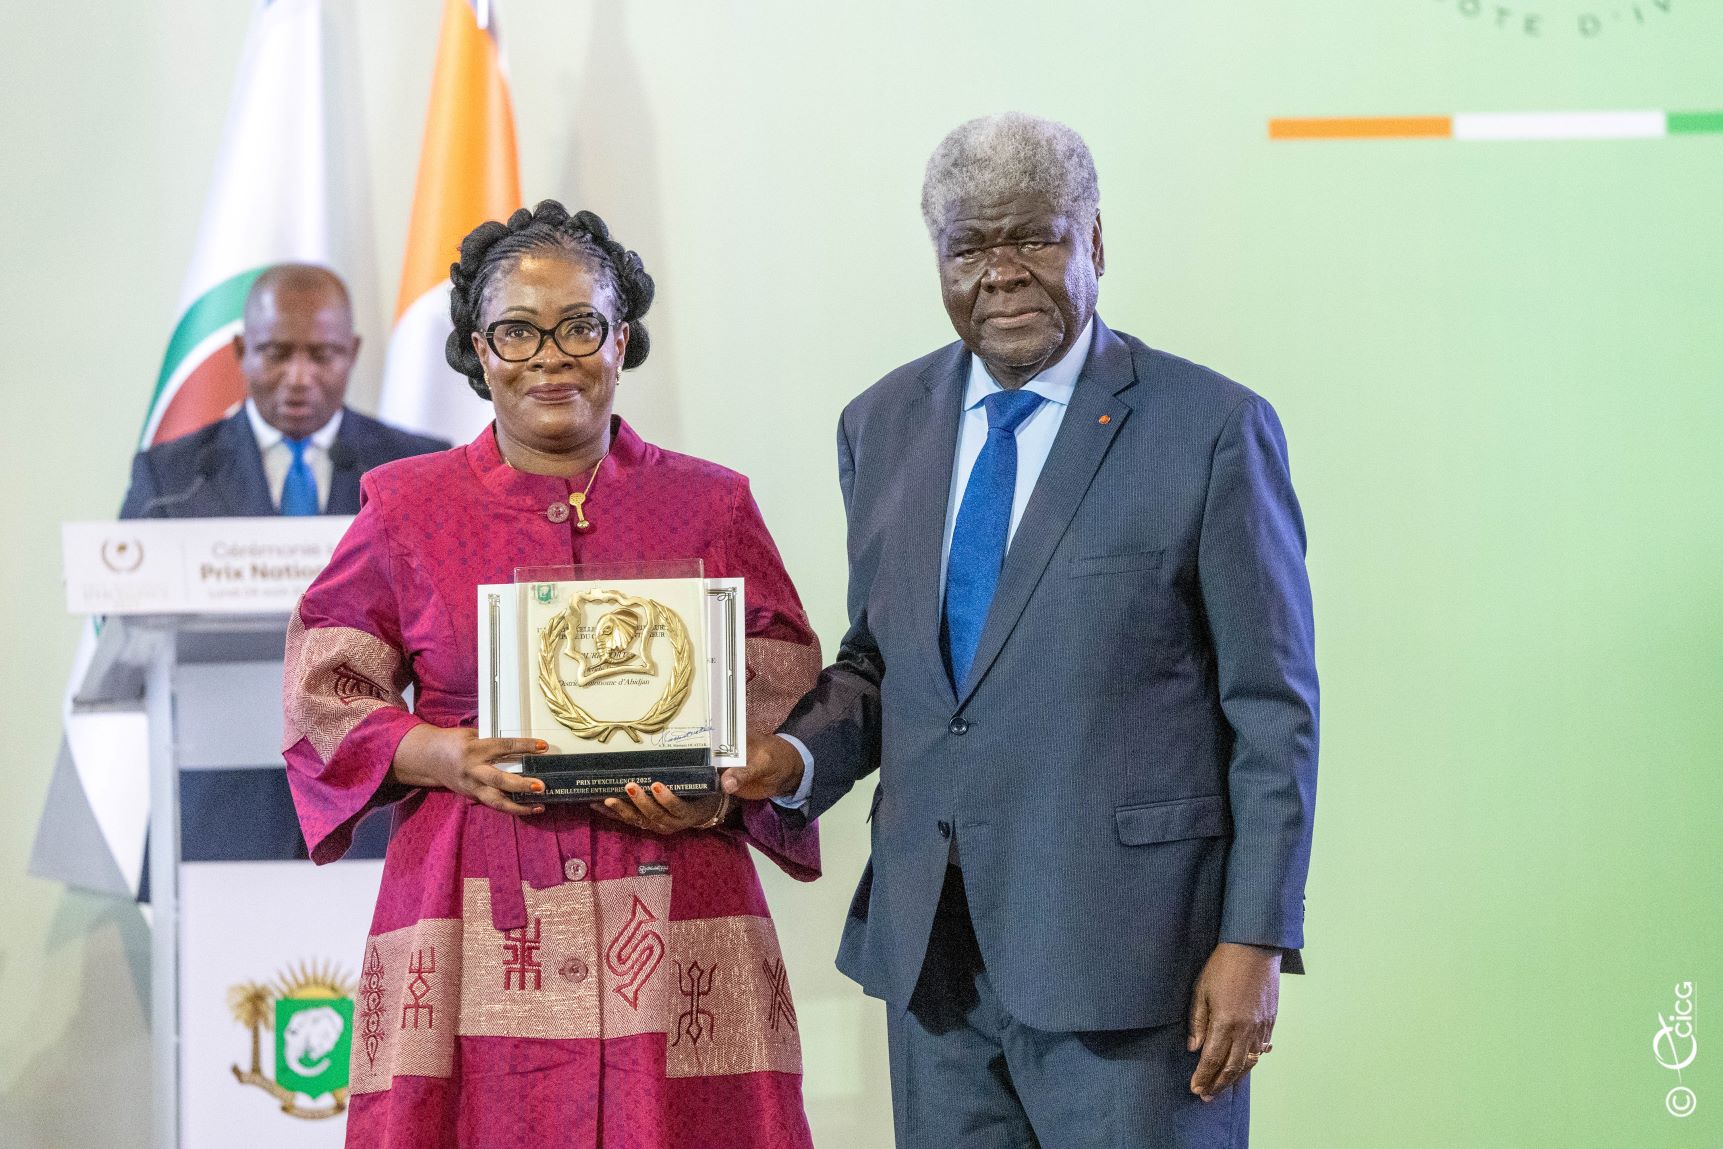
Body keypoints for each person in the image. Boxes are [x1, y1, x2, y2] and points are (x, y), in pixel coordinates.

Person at [727, 113, 1319, 1147]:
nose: (1000, 273)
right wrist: (792, 758)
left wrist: (1255, 939)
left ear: (1094, 241)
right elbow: (884, 659)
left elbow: (1271, 711)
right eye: (967, 247)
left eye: (1032, 238)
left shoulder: (1211, 428)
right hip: (935, 957)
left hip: (1137, 961)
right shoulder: (881, 423)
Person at [282, 202, 823, 1148]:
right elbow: (324, 683)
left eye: (580, 326)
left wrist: (720, 789)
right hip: (471, 893)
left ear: (621, 339)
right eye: (517, 332)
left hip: (674, 886)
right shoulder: (405, 504)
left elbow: (784, 683)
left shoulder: (711, 503)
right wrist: (440, 752)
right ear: (479, 349)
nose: (550, 357)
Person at [119, 263, 449, 519]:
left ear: (352, 353)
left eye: (322, 355)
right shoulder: (168, 477)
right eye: (277, 354)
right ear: (241, 351)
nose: (299, 378)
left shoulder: (421, 469)